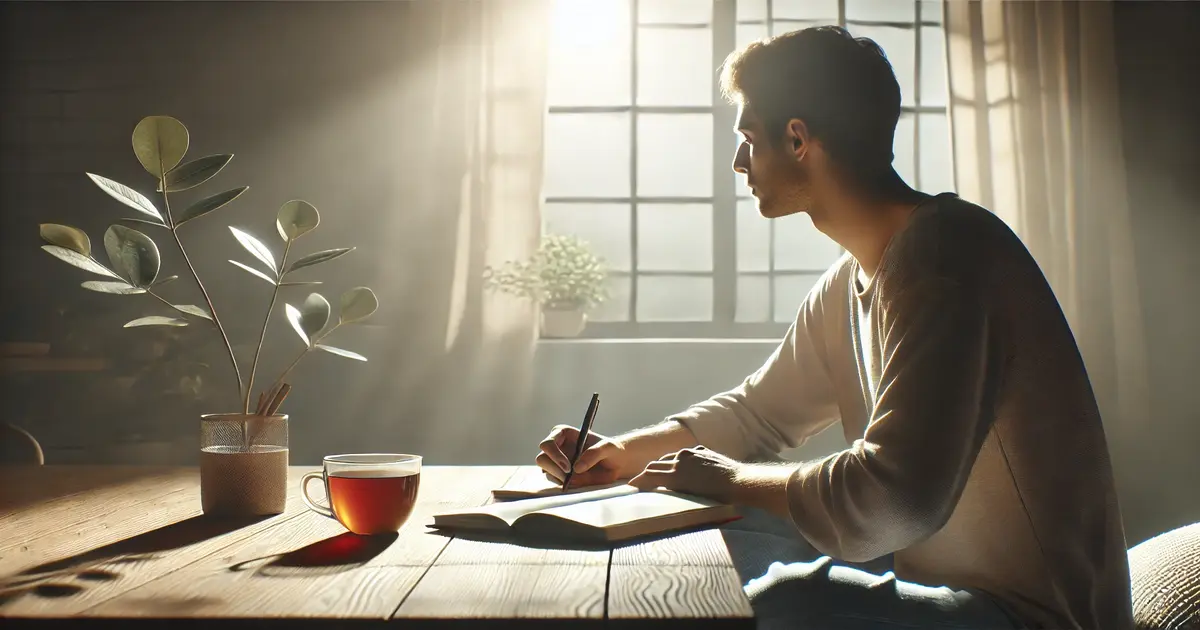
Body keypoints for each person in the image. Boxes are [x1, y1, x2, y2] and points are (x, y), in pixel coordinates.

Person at [536, 26, 1133, 630]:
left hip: (1031, 618)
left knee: (777, 598)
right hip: (946, 600)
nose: (738, 161)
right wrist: (617, 456)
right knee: (721, 557)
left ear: (797, 139)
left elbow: (892, 500)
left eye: (748, 137)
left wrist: (733, 480)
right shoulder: (853, 280)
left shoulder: (945, 257)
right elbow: (758, 414)